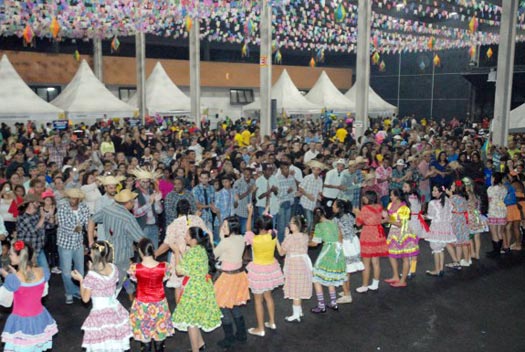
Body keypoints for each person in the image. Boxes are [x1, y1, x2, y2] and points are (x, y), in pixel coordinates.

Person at [71, 241, 132, 352]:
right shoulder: (113, 268)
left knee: (102, 344)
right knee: (114, 343)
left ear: (94, 255)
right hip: (114, 311)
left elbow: (85, 299)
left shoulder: (92, 276)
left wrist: (81, 280)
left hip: (100, 313)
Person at [171, 227, 222, 352]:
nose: (185, 237)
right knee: (195, 318)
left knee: (191, 322)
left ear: (194, 239)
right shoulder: (201, 249)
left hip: (194, 290)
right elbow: (191, 264)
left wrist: (177, 252)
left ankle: (195, 349)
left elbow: (179, 271)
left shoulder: (193, 252)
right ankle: (200, 344)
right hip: (203, 287)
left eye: (187, 235)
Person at [0, 241, 58, 351]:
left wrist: (7, 277)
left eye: (11, 254)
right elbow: (43, 292)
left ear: (19, 257)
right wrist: (12, 276)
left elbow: (3, 300)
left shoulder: (14, 279)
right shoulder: (43, 271)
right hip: (39, 318)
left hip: (21, 322)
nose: (9, 256)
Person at [89, 189, 145, 295]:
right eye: (133, 201)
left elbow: (92, 220)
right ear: (127, 203)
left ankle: (130, 291)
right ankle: (112, 302)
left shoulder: (107, 210)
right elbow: (141, 239)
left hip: (108, 253)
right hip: (122, 255)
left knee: (119, 277)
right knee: (117, 282)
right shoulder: (128, 218)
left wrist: (91, 241)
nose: (134, 203)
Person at [156, 199, 211, 299]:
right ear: (190, 209)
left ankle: (180, 311)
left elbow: (167, 244)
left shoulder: (173, 225)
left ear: (177, 211)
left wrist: (154, 255)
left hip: (179, 259)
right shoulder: (197, 220)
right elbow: (206, 234)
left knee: (179, 286)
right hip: (197, 257)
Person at [244, 204, 284, 336]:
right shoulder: (273, 234)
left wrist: (250, 213)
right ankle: (272, 322)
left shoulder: (254, 239)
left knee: (258, 300)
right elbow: (269, 227)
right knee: (268, 296)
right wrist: (266, 214)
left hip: (258, 271)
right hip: (271, 268)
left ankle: (260, 328)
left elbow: (248, 229)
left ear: (258, 227)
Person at [129, 238, 174, 352]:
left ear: (140, 251)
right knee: (159, 337)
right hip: (159, 305)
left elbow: (133, 279)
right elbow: (165, 278)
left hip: (142, 306)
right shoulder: (164, 267)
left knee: (145, 339)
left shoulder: (135, 268)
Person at [213, 216, 249, 348]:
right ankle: (241, 333)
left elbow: (214, 255)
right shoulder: (241, 238)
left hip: (226, 278)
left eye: (225, 226)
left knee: (223, 307)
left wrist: (219, 239)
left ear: (231, 228)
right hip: (238, 276)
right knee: (234, 305)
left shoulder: (226, 242)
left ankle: (229, 338)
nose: (222, 228)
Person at [309, 207, 346, 313]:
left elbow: (315, 243)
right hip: (338, 251)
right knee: (331, 277)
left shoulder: (318, 226)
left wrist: (304, 242)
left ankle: (321, 305)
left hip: (327, 251)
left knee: (316, 277)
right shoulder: (333, 222)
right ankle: (333, 302)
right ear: (324, 213)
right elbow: (340, 237)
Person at [57, 188, 90, 304]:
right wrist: (77, 228)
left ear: (79, 199)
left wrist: (83, 229)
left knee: (80, 270)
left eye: (74, 198)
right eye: (70, 197)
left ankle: (77, 291)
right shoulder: (62, 208)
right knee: (66, 272)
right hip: (65, 243)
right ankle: (70, 292)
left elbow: (87, 223)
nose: (72, 200)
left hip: (78, 243)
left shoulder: (84, 208)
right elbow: (62, 225)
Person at [276, 214, 312, 322]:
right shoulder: (305, 236)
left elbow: (281, 252)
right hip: (303, 264)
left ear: (296, 225)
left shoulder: (290, 238)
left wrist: (276, 240)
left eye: (291, 223)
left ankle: (296, 314)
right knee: (300, 287)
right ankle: (299, 310)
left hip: (294, 265)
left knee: (295, 291)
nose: (289, 224)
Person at [354, 191, 388, 293]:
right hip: (378, 233)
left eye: (364, 197)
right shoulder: (378, 206)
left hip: (368, 234)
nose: (363, 198)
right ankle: (375, 284)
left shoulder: (364, 209)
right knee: (376, 261)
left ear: (368, 198)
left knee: (366, 262)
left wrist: (357, 213)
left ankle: (364, 285)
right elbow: (386, 217)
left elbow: (358, 223)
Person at [385, 189, 419, 288]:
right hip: (393, 232)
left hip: (403, 233)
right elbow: (391, 219)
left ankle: (403, 280)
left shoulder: (404, 208)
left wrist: (388, 220)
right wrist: (387, 219)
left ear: (398, 196)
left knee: (405, 256)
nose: (390, 197)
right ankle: (396, 276)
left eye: (392, 195)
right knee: (391, 254)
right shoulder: (391, 205)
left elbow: (401, 224)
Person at [332, 199, 363, 304]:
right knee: (347, 268)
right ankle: (347, 289)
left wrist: (336, 247)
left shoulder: (336, 219)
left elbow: (337, 234)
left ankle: (347, 295)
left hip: (345, 243)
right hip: (353, 241)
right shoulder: (349, 215)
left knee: (343, 269)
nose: (332, 207)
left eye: (334, 205)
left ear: (338, 208)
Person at [425, 186, 456, 276]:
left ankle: (437, 270)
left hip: (437, 227)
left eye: (435, 190)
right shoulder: (448, 201)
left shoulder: (432, 203)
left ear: (440, 192)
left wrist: (425, 216)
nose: (433, 192)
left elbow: (430, 216)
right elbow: (450, 214)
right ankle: (440, 269)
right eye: (433, 190)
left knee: (436, 249)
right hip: (446, 227)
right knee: (441, 248)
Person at [131, 167, 163, 250]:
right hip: (143, 227)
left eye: (147, 181)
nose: (145, 183)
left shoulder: (153, 192)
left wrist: (157, 201)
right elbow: (136, 213)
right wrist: (149, 203)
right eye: (143, 181)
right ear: (139, 182)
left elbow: (159, 211)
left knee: (154, 251)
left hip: (154, 226)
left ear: (150, 182)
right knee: (143, 252)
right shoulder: (135, 194)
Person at [16, 193, 49, 271]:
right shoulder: (22, 217)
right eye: (37, 202)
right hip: (27, 251)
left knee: (45, 271)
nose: (39, 204)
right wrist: (43, 217)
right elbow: (33, 231)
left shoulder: (37, 215)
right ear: (30, 203)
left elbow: (48, 226)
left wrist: (50, 218)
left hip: (38, 248)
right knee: (28, 273)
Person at [403, 182, 428, 278]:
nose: (403, 188)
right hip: (417, 223)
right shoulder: (417, 197)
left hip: (410, 223)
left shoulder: (407, 199)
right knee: (414, 248)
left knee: (409, 248)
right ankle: (412, 270)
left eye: (405, 186)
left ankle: (409, 270)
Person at [446, 181, 471, 268]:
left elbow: (449, 206)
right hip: (463, 219)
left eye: (453, 185)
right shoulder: (464, 197)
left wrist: (449, 195)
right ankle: (466, 260)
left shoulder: (454, 198)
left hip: (456, 220)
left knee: (458, 242)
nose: (451, 186)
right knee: (462, 242)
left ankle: (461, 260)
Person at [463, 177, 489, 260]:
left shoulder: (467, 195)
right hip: (477, 215)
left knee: (470, 236)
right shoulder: (477, 195)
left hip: (470, 216)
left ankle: (472, 252)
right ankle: (477, 254)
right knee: (477, 236)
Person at [299, 160, 325, 234]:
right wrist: (307, 195)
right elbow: (300, 188)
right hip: (305, 203)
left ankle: (306, 236)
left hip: (313, 204)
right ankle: (306, 237)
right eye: (314, 169)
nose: (316, 171)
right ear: (312, 169)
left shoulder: (320, 180)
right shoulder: (307, 178)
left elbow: (320, 192)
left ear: (320, 171)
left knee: (311, 222)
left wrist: (321, 196)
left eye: (318, 169)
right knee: (309, 221)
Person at [486, 172, 508, 257]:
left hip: (493, 210)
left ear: (494, 178)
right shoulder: (504, 188)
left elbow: (489, 200)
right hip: (502, 209)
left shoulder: (490, 189)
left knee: (494, 231)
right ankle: (499, 249)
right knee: (500, 231)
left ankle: (496, 251)